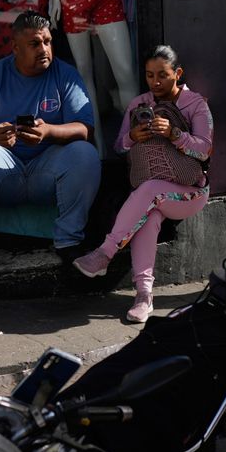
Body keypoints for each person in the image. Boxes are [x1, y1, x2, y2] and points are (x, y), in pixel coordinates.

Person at [0, 11, 101, 286]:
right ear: (16, 47)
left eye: (47, 41)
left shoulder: (65, 74)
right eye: (34, 44)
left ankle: (69, 243)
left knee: (85, 154)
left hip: (48, 169)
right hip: (4, 168)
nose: (44, 49)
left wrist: (49, 132)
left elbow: (85, 128)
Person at [73, 46, 213, 322]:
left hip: (190, 192)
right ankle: (143, 295)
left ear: (178, 73)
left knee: (148, 192)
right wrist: (132, 137)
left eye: (162, 75)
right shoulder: (139, 104)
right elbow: (119, 147)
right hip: (152, 193)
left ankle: (106, 252)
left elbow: (205, 149)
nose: (155, 82)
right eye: (150, 75)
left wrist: (175, 134)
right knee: (149, 215)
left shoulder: (196, 104)